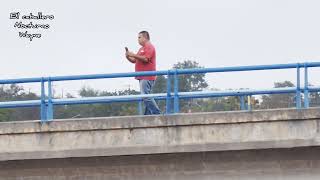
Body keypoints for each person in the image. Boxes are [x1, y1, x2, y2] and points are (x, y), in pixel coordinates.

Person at [125, 31, 161, 115]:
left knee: (145, 96)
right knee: (145, 96)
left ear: (145, 37)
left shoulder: (149, 47)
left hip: (147, 76)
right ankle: (148, 115)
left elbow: (145, 59)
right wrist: (128, 56)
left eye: (139, 37)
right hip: (142, 77)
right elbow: (134, 60)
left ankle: (157, 113)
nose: (138, 39)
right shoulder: (142, 48)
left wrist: (133, 54)